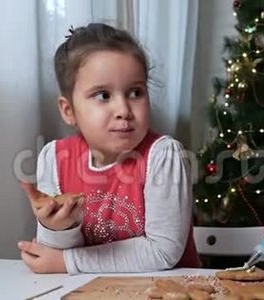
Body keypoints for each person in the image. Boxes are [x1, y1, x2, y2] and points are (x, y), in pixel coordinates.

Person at [17, 23, 200, 274]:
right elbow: (53, 253)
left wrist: (69, 262)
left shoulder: (163, 155)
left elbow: (163, 250)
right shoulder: (54, 158)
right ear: (68, 110)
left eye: (135, 92)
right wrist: (57, 228)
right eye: (103, 95)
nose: (124, 110)